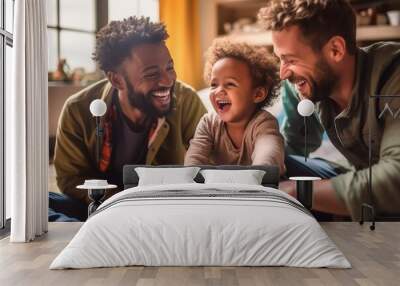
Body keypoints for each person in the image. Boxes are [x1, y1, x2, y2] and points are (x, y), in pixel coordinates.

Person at [51, 16, 207, 221]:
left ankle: (94, 237)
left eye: (169, 67)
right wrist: (122, 202)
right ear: (116, 79)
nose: (168, 80)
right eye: (151, 74)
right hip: (103, 207)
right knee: (44, 203)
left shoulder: (186, 100)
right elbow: (70, 180)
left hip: (163, 208)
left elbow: (207, 166)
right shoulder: (77, 109)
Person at [258, 0, 400, 220]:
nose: (283, 73)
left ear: (336, 49)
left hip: (392, 186)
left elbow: (395, 178)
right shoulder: (303, 84)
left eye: (290, 59)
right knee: (268, 170)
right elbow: (293, 143)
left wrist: (297, 193)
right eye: (280, 59)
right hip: (357, 174)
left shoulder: (393, 77)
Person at [184, 40, 285, 174]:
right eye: (214, 85)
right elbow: (193, 162)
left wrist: (256, 178)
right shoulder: (209, 124)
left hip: (258, 186)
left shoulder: (264, 123)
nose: (218, 90)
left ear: (258, 94)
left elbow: (267, 160)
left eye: (230, 84)